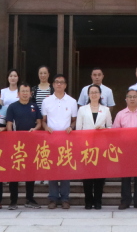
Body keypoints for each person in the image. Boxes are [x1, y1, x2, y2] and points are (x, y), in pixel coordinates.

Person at [41, 74, 77, 209]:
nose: (59, 84)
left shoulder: (72, 101)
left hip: (66, 140)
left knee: (65, 169)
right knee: (52, 170)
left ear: (65, 85)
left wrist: (71, 127)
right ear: (53, 84)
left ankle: (65, 198)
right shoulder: (47, 101)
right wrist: (46, 128)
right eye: (57, 82)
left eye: (62, 82)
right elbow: (43, 121)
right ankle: (53, 198)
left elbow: (74, 120)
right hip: (51, 140)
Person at [112, 89, 137, 210]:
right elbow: (115, 131)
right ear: (126, 99)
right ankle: (125, 200)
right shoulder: (120, 114)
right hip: (125, 149)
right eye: (129, 96)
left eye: (134, 96)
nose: (132, 99)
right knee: (125, 176)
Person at [5, 82, 43, 210]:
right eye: (23, 91)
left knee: (30, 172)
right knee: (14, 172)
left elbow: (39, 123)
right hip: (16, 145)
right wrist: (11, 139)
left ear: (30, 93)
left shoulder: (34, 106)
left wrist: (35, 129)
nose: (25, 93)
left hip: (31, 144)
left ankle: (29, 199)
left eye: (27, 91)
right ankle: (13, 201)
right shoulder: (12, 107)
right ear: (18, 93)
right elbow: (9, 124)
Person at [76, 84, 113, 209]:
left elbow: (111, 127)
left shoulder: (106, 110)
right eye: (91, 92)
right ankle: (88, 201)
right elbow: (78, 129)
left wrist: (104, 129)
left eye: (96, 92)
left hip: (101, 147)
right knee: (87, 175)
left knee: (100, 175)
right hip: (86, 147)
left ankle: (98, 201)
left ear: (100, 94)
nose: (94, 94)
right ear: (88, 95)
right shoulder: (82, 110)